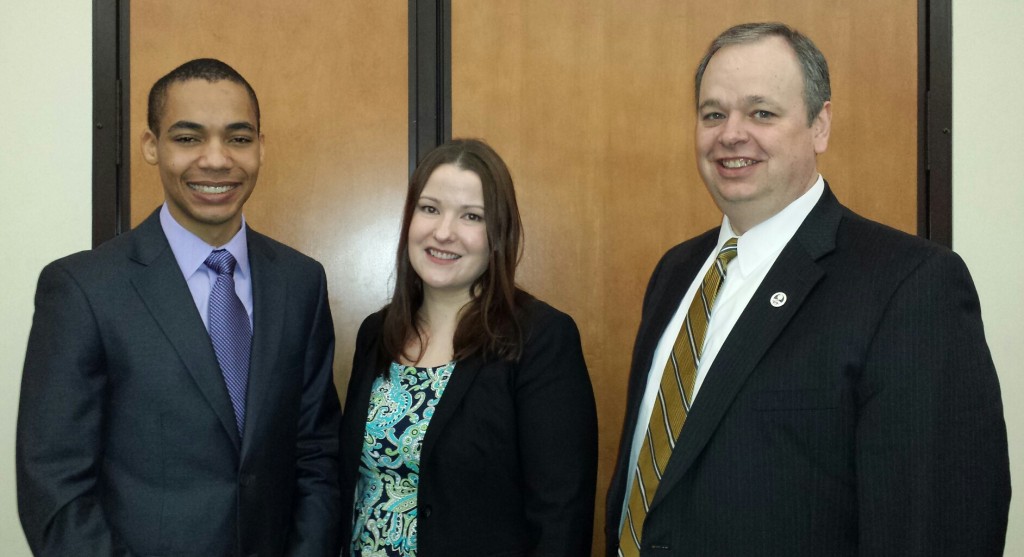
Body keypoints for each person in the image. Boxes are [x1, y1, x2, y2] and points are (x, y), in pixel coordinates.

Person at [606, 22, 1010, 556]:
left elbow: (938, 522)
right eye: (713, 114)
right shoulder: (675, 273)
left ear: (820, 126)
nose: (731, 133)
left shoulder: (910, 285)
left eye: (762, 112)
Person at [17, 58, 342, 556]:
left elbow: (316, 454)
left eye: (238, 138)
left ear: (260, 146)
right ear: (152, 146)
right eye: (188, 138)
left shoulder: (301, 282)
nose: (216, 160)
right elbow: (55, 488)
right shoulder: (83, 289)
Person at [339, 138, 598, 556]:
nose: (444, 232)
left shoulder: (540, 339)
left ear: (498, 233)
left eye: (471, 216)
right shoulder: (377, 333)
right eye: (430, 208)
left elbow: (561, 517)